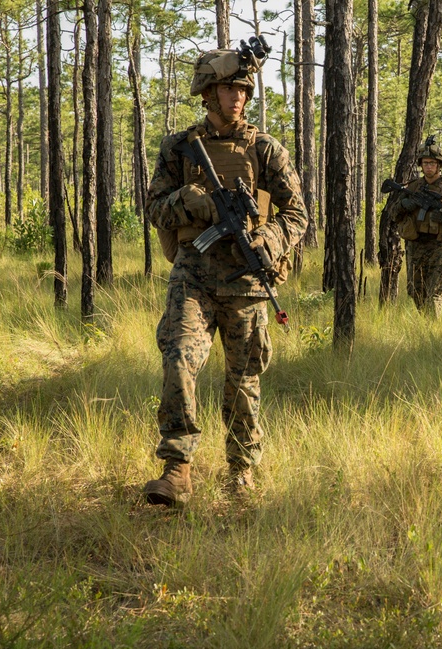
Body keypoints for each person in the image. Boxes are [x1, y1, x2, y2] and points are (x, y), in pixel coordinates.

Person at [142, 46, 308, 505]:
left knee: (243, 381)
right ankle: (177, 468)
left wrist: (269, 240)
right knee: (178, 358)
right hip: (193, 275)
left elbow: (297, 213)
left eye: (242, 89)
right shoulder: (179, 148)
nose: (236, 96)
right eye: (227, 88)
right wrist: (190, 201)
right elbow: (154, 207)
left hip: (249, 282)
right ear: (207, 93)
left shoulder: (265, 149)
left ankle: (241, 473)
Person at [392, 136, 442, 317]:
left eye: (432, 163)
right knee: (415, 290)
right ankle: (425, 322)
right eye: (425, 163)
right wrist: (404, 205)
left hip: (439, 245)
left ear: (439, 165)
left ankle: (434, 328)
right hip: (415, 244)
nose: (428, 166)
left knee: (435, 291)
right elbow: (394, 214)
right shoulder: (412, 187)